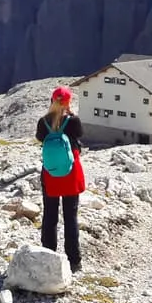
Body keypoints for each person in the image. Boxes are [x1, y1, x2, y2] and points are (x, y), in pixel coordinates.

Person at [35, 86, 86, 273]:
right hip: (70, 174)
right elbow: (79, 135)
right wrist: (69, 114)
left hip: (50, 174)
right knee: (70, 217)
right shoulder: (73, 121)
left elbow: (41, 138)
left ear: (51, 100)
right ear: (68, 102)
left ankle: (48, 255)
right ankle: (74, 260)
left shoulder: (43, 122)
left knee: (50, 215)